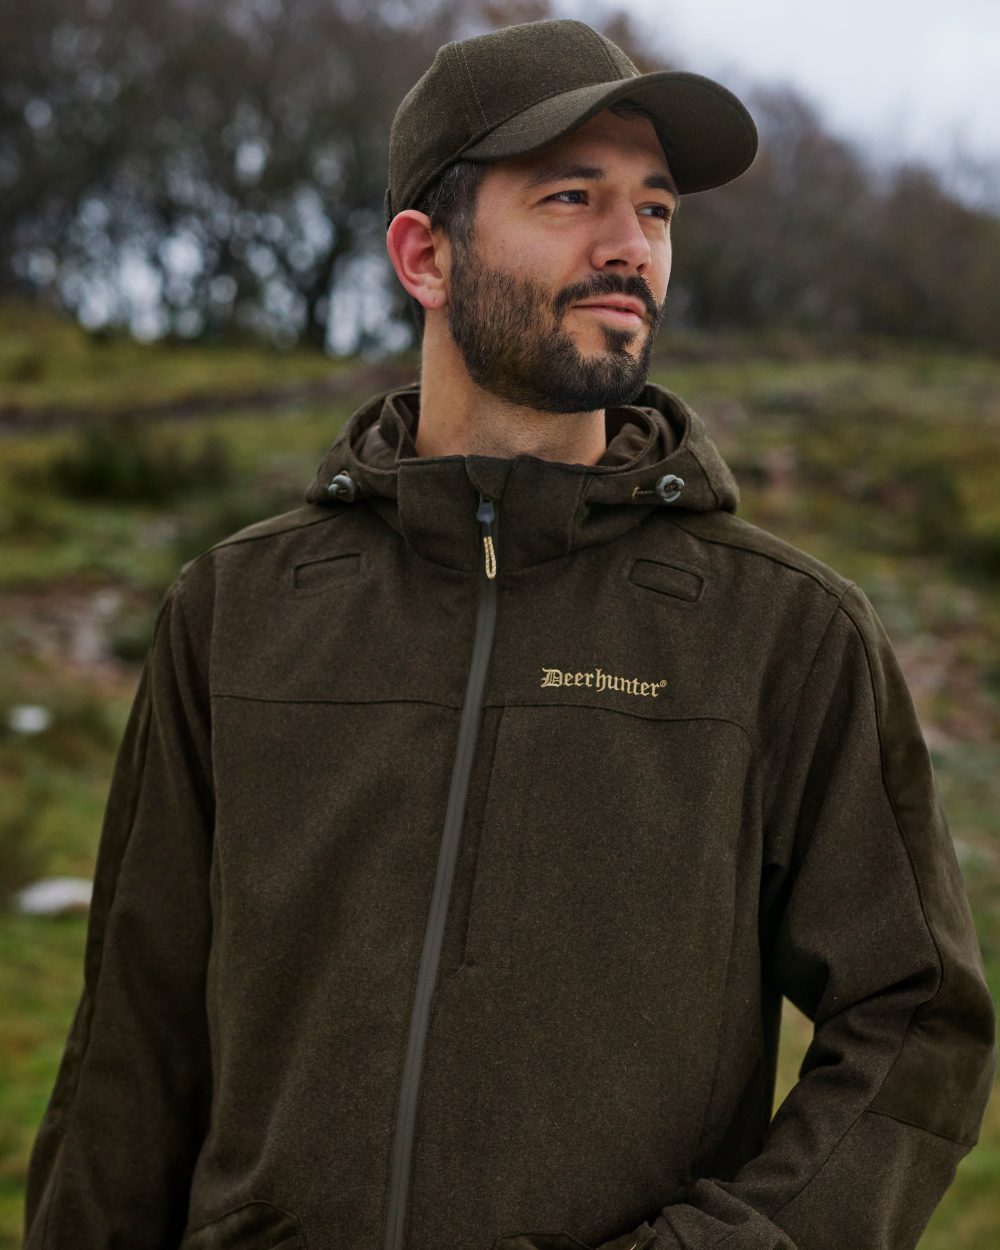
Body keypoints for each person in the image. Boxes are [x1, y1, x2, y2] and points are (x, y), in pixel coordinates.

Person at [22, 18, 996, 1250]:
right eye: (570, 197)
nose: (627, 247)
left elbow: (917, 1021)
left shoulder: (783, 635)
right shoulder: (239, 611)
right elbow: (130, 1049)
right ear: (425, 255)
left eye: (654, 210)